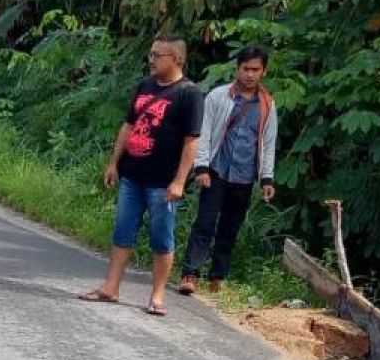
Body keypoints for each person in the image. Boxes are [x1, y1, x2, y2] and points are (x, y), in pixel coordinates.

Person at [78, 36, 204, 316]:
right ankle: (110, 287)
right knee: (123, 231)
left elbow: (191, 141)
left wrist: (181, 180)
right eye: (151, 53)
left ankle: (158, 295)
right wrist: (114, 162)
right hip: (132, 175)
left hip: (163, 182)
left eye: (158, 55)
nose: (152, 59)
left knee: (162, 237)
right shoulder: (145, 86)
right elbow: (128, 126)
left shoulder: (189, 94)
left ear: (176, 59)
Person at [179, 45, 278, 295]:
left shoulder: (267, 105)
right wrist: (201, 167)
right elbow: (205, 133)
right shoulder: (218, 97)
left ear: (263, 71)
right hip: (217, 171)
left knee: (230, 228)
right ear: (237, 69)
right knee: (205, 223)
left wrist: (267, 178)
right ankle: (190, 273)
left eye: (256, 69)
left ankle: (217, 277)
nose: (250, 75)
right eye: (246, 69)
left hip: (244, 176)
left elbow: (267, 142)